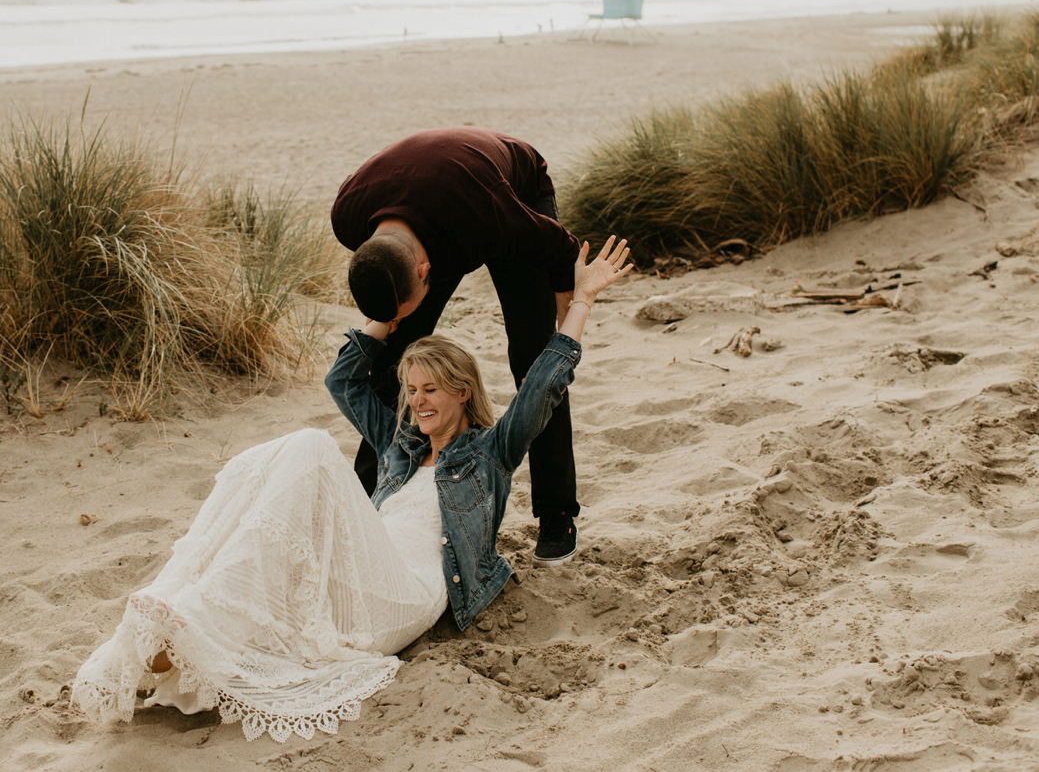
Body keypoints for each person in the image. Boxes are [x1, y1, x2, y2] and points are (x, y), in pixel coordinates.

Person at [70, 239, 630, 737]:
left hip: (409, 592)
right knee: (283, 527)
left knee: (311, 449)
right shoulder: (400, 444)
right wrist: (388, 313)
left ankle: (189, 627)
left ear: (462, 391)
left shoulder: (491, 453)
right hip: (359, 575)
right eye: (411, 390)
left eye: (431, 389)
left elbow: (544, 386)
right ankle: (185, 631)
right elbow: (342, 379)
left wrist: (582, 300)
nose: (417, 402)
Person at [331, 125, 599, 559]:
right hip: (430, 206)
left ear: (424, 271)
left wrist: (569, 319)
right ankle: (372, 493)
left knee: (533, 361)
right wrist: (385, 327)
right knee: (393, 363)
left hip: (508, 189)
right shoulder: (348, 218)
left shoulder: (491, 215)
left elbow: (561, 253)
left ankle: (556, 514)